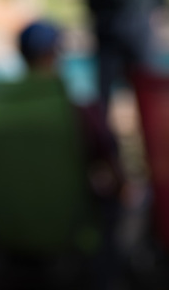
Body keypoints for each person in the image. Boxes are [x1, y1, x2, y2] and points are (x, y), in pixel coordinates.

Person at [18, 20, 125, 202]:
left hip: (23, 202)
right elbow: (104, 150)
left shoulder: (9, 109)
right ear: (52, 54)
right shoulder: (76, 110)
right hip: (70, 202)